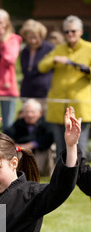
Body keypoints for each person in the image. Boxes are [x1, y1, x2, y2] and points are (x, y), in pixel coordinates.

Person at [38, 15, 91, 159]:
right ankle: (62, 181)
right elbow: (42, 66)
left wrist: (84, 69)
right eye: (66, 32)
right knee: (61, 151)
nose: (70, 34)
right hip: (58, 107)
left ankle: (80, 180)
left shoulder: (89, 49)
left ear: (80, 32)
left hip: (80, 107)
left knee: (79, 150)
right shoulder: (59, 49)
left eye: (73, 31)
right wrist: (54, 60)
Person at [4, 99, 55, 176]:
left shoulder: (46, 124)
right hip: (22, 151)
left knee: (44, 151)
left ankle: (37, 171)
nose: (29, 115)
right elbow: (8, 134)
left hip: (40, 151)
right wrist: (15, 144)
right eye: (27, 112)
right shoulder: (19, 123)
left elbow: (48, 139)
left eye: (32, 112)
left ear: (40, 113)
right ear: (23, 113)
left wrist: (33, 144)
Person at [19, 19, 54, 99]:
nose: (33, 41)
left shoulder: (49, 49)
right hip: (27, 93)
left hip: (44, 94)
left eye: (35, 37)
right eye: (30, 38)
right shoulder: (25, 51)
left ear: (41, 36)